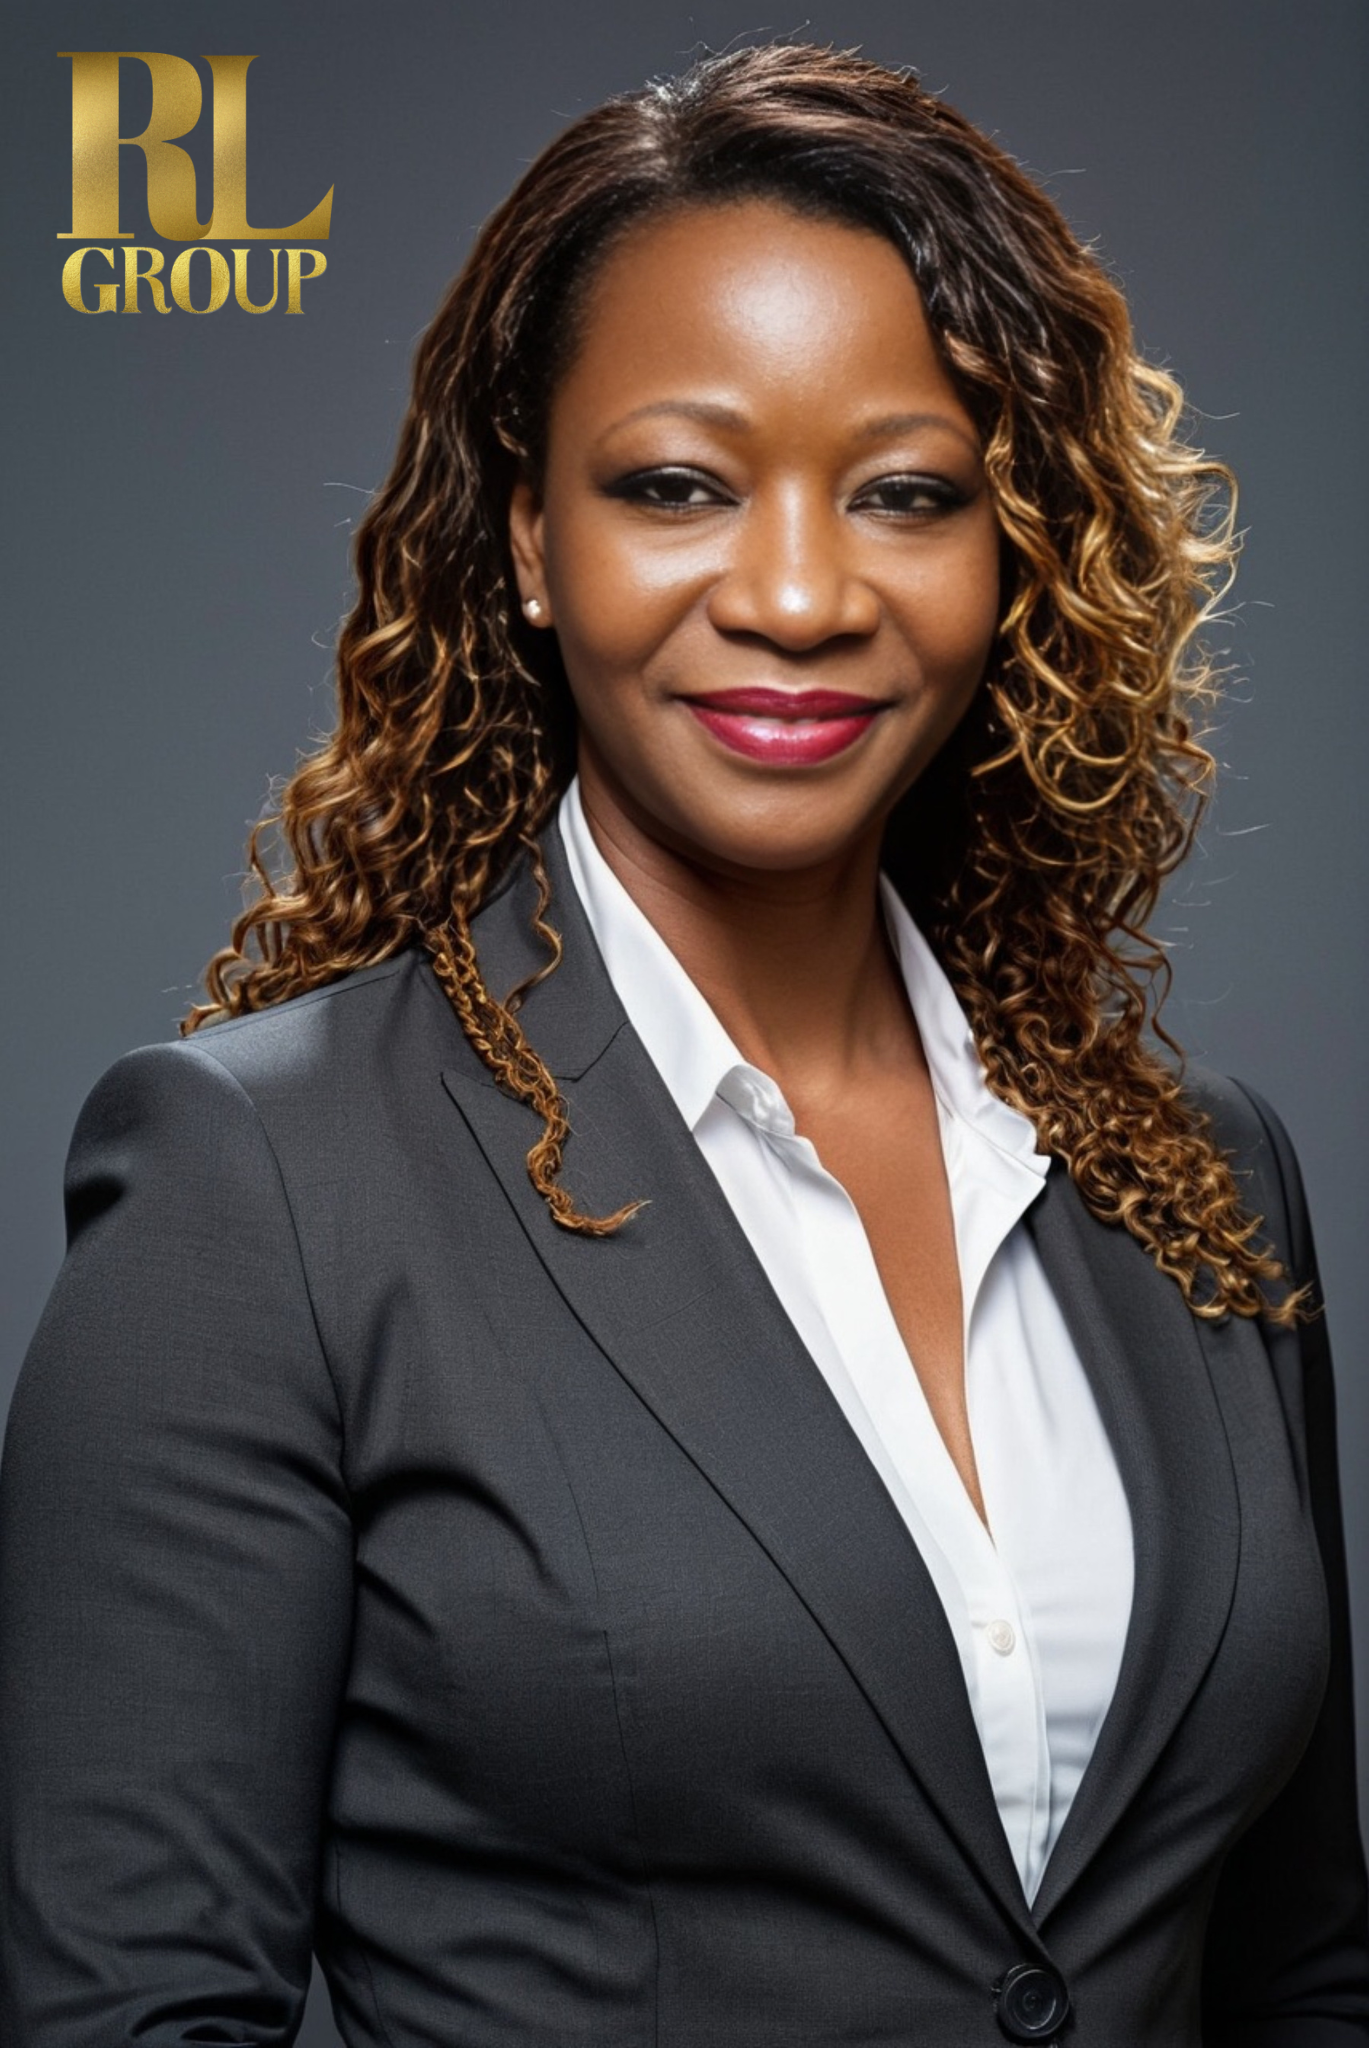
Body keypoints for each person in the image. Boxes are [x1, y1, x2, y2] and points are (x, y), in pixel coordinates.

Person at [1, 39, 1365, 2048]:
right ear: (534, 539)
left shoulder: (1202, 1175)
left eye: (907, 492)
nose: (801, 593)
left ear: (1017, 557)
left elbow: (1301, 1968)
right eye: (675, 486)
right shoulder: (257, 1188)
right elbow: (129, 2014)